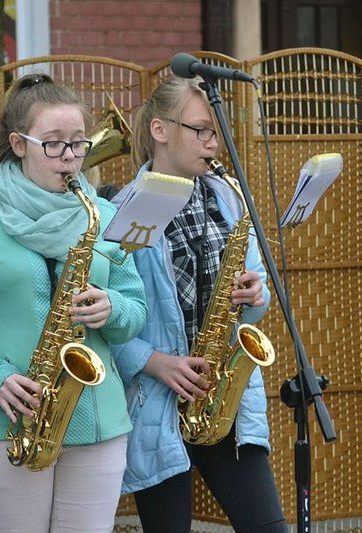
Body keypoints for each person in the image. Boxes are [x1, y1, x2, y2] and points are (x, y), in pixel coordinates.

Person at [0, 73, 147, 533]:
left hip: (98, 420)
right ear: (18, 144)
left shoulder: (104, 216)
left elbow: (135, 309)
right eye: (54, 144)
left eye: (79, 143)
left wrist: (112, 308)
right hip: (7, 419)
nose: (70, 157)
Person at [110, 75, 287, 532]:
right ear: (160, 130)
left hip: (221, 392)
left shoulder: (227, 197)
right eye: (202, 130)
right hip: (157, 400)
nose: (213, 143)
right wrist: (154, 362)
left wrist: (255, 294)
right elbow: (106, 313)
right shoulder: (127, 208)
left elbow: (256, 293)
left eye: (216, 133)